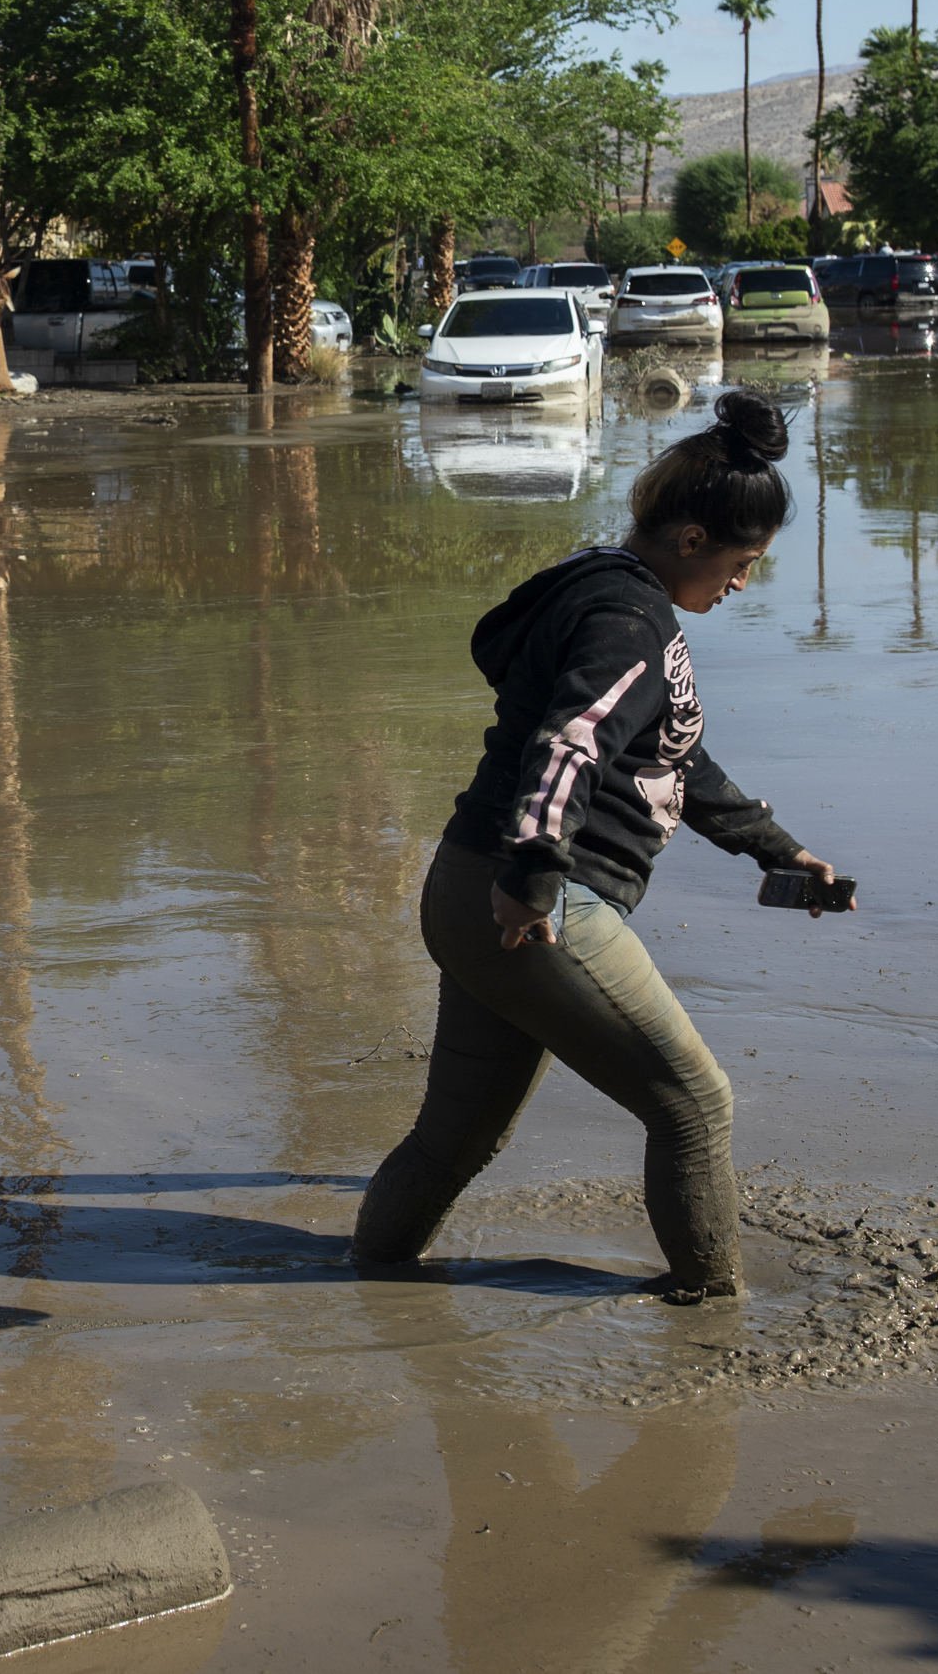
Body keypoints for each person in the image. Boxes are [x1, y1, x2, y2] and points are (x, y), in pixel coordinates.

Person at [355, 388, 845, 1303]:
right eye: (742, 563)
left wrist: (775, 848)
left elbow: (673, 756)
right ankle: (711, 1315)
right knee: (694, 1106)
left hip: (472, 889)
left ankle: (371, 1286)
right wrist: (535, 873)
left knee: (456, 1135)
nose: (740, 584)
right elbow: (571, 744)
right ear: (693, 539)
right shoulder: (630, 620)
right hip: (532, 902)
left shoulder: (604, 584)